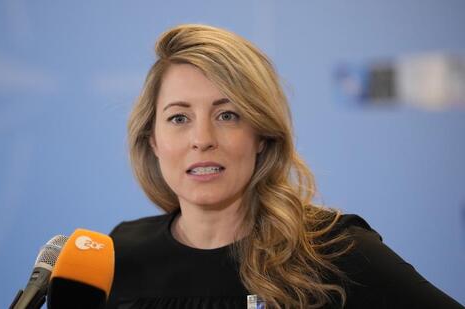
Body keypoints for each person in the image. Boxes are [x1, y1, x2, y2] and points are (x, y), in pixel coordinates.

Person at [106, 24, 463, 309]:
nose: (202, 138)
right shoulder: (116, 255)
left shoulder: (335, 250)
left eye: (227, 115)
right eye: (179, 117)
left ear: (261, 135)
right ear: (152, 139)